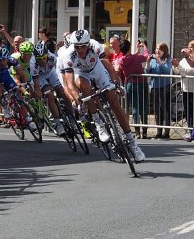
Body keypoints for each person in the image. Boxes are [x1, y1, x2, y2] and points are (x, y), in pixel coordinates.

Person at [58, 29, 145, 162]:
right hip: (81, 73)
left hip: (97, 69)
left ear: (88, 44)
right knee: (83, 85)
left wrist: (116, 83)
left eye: (82, 46)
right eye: (76, 47)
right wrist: (77, 100)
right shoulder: (68, 55)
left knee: (114, 103)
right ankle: (98, 122)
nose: (79, 50)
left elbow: (108, 66)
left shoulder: (95, 46)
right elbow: (69, 84)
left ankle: (133, 144)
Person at [0, 45, 38, 131]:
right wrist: (2, 95)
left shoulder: (12, 60)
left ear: (7, 58)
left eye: (4, 60)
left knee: (18, 94)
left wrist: (26, 83)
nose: (2, 62)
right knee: (2, 92)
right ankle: (6, 108)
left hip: (5, 75)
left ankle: (28, 120)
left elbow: (21, 72)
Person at [28, 41, 66, 135]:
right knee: (49, 95)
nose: (42, 61)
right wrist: (40, 94)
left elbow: (59, 72)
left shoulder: (53, 58)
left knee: (62, 92)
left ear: (47, 54)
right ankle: (58, 124)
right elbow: (36, 84)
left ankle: (71, 118)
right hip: (40, 77)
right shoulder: (33, 64)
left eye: (44, 57)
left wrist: (57, 86)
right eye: (39, 59)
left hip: (50, 73)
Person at [118, 39, 150, 138]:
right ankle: (144, 131)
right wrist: (144, 46)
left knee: (135, 107)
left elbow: (131, 57)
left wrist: (136, 50)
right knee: (143, 107)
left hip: (130, 84)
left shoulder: (121, 60)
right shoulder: (136, 58)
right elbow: (146, 56)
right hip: (141, 83)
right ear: (128, 47)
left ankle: (137, 131)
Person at [173, 40, 194, 142]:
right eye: (188, 46)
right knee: (188, 112)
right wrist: (175, 65)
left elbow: (190, 71)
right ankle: (190, 131)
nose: (189, 49)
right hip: (185, 88)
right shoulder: (184, 60)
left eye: (192, 47)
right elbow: (179, 71)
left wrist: (180, 66)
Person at [147, 42, 173, 140]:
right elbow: (148, 71)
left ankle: (166, 133)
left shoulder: (168, 59)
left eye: (160, 49)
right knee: (157, 110)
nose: (157, 51)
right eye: (157, 48)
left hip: (164, 86)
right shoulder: (153, 60)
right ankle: (159, 132)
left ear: (164, 51)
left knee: (165, 109)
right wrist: (148, 62)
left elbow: (166, 70)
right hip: (155, 87)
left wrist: (159, 60)